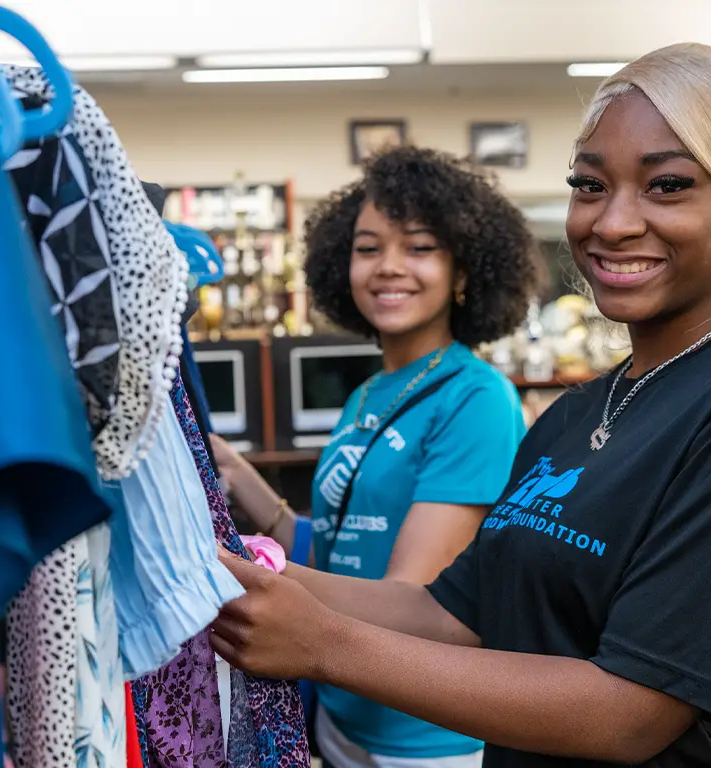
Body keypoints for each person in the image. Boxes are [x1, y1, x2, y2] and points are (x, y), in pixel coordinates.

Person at [207, 42, 711, 768]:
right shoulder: (582, 414)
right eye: (589, 184)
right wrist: (227, 570)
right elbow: (449, 615)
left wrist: (324, 645)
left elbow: (630, 714)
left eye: (667, 185)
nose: (612, 223)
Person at [208, 144, 542, 767]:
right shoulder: (370, 391)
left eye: (418, 247)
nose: (389, 267)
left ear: (463, 270)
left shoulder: (476, 399)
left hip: (422, 735)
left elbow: (414, 601)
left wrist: (229, 569)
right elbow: (342, 545)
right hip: (342, 711)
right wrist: (237, 476)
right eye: (368, 248)